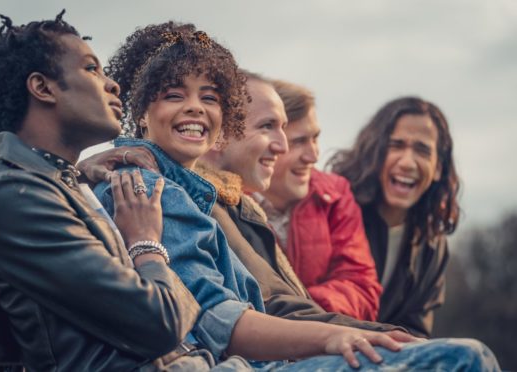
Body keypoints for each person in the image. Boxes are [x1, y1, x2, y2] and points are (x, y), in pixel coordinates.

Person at [94, 22, 499, 371]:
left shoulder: (193, 191)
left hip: (261, 356)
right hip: (243, 360)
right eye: (173, 94)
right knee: (467, 359)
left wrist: (363, 335)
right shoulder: (150, 187)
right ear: (141, 106)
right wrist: (329, 337)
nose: (196, 108)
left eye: (210, 97)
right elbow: (220, 318)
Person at [0, 12, 207, 371]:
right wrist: (145, 242)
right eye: (92, 69)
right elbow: (162, 324)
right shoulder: (16, 197)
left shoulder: (55, 183)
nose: (113, 85)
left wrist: (80, 176)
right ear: (43, 88)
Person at [328, 96, 460, 338]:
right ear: (374, 152)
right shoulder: (334, 211)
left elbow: (417, 331)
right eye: (396, 145)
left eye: (422, 150)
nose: (408, 162)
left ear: (438, 167)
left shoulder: (433, 246)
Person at [255, 79, 381, 321]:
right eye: (299, 141)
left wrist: (295, 310)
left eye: (315, 138)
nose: (314, 155)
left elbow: (363, 289)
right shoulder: (226, 199)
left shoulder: (335, 194)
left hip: (328, 343)